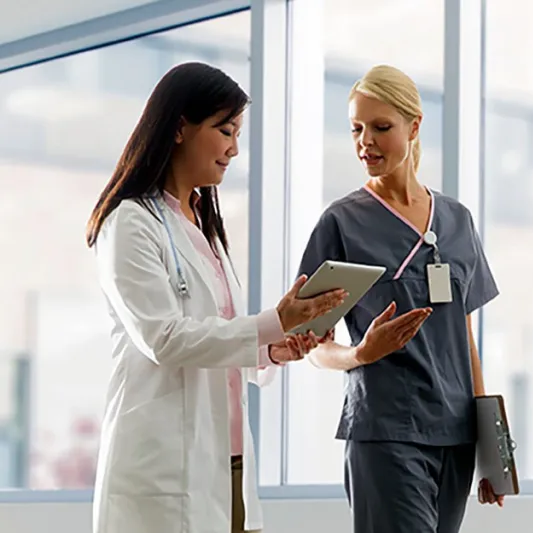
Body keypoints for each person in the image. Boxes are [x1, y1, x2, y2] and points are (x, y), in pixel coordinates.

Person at [85, 62, 346, 533]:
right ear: (181, 126)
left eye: (237, 133)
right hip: (163, 465)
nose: (234, 148)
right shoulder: (130, 223)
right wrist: (273, 321)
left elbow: (215, 338)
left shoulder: (204, 226)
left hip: (227, 461)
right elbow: (163, 338)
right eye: (225, 130)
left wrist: (272, 349)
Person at [297, 64, 503, 533]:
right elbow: (309, 345)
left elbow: (463, 338)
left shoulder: (457, 220)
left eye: (380, 128)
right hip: (387, 432)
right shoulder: (342, 223)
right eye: (356, 128)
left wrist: (491, 445)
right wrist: (360, 353)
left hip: (455, 436)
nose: (364, 141)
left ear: (414, 126)